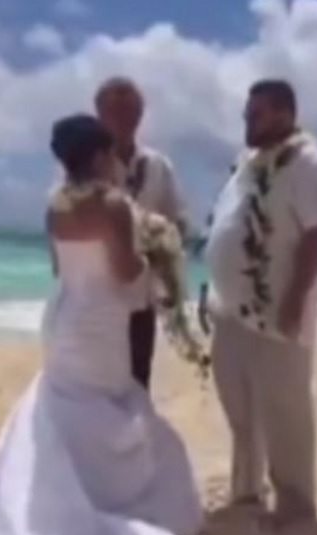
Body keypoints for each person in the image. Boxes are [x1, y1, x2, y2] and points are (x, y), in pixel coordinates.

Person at [0, 115, 202, 535]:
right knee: (106, 404)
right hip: (101, 323)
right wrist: (155, 260)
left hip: (65, 317)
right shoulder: (113, 205)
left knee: (70, 404)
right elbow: (124, 273)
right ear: (101, 155)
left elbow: (57, 268)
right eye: (112, 154)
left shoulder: (55, 207)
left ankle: (74, 496)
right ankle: (109, 501)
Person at [203, 79, 317, 528]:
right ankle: (247, 491)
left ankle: (296, 505)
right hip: (231, 308)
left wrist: (294, 299)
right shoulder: (249, 164)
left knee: (284, 409)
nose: (247, 122)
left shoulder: (308, 164)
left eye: (255, 114)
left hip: (278, 309)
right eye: (247, 114)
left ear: (284, 114)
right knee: (239, 404)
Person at [95, 76, 187, 391]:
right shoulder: (84, 166)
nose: (124, 120)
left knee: (137, 382)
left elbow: (178, 222)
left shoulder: (159, 165)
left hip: (142, 298)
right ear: (100, 115)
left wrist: (163, 246)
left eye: (131, 112)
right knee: (98, 386)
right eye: (115, 112)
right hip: (99, 298)